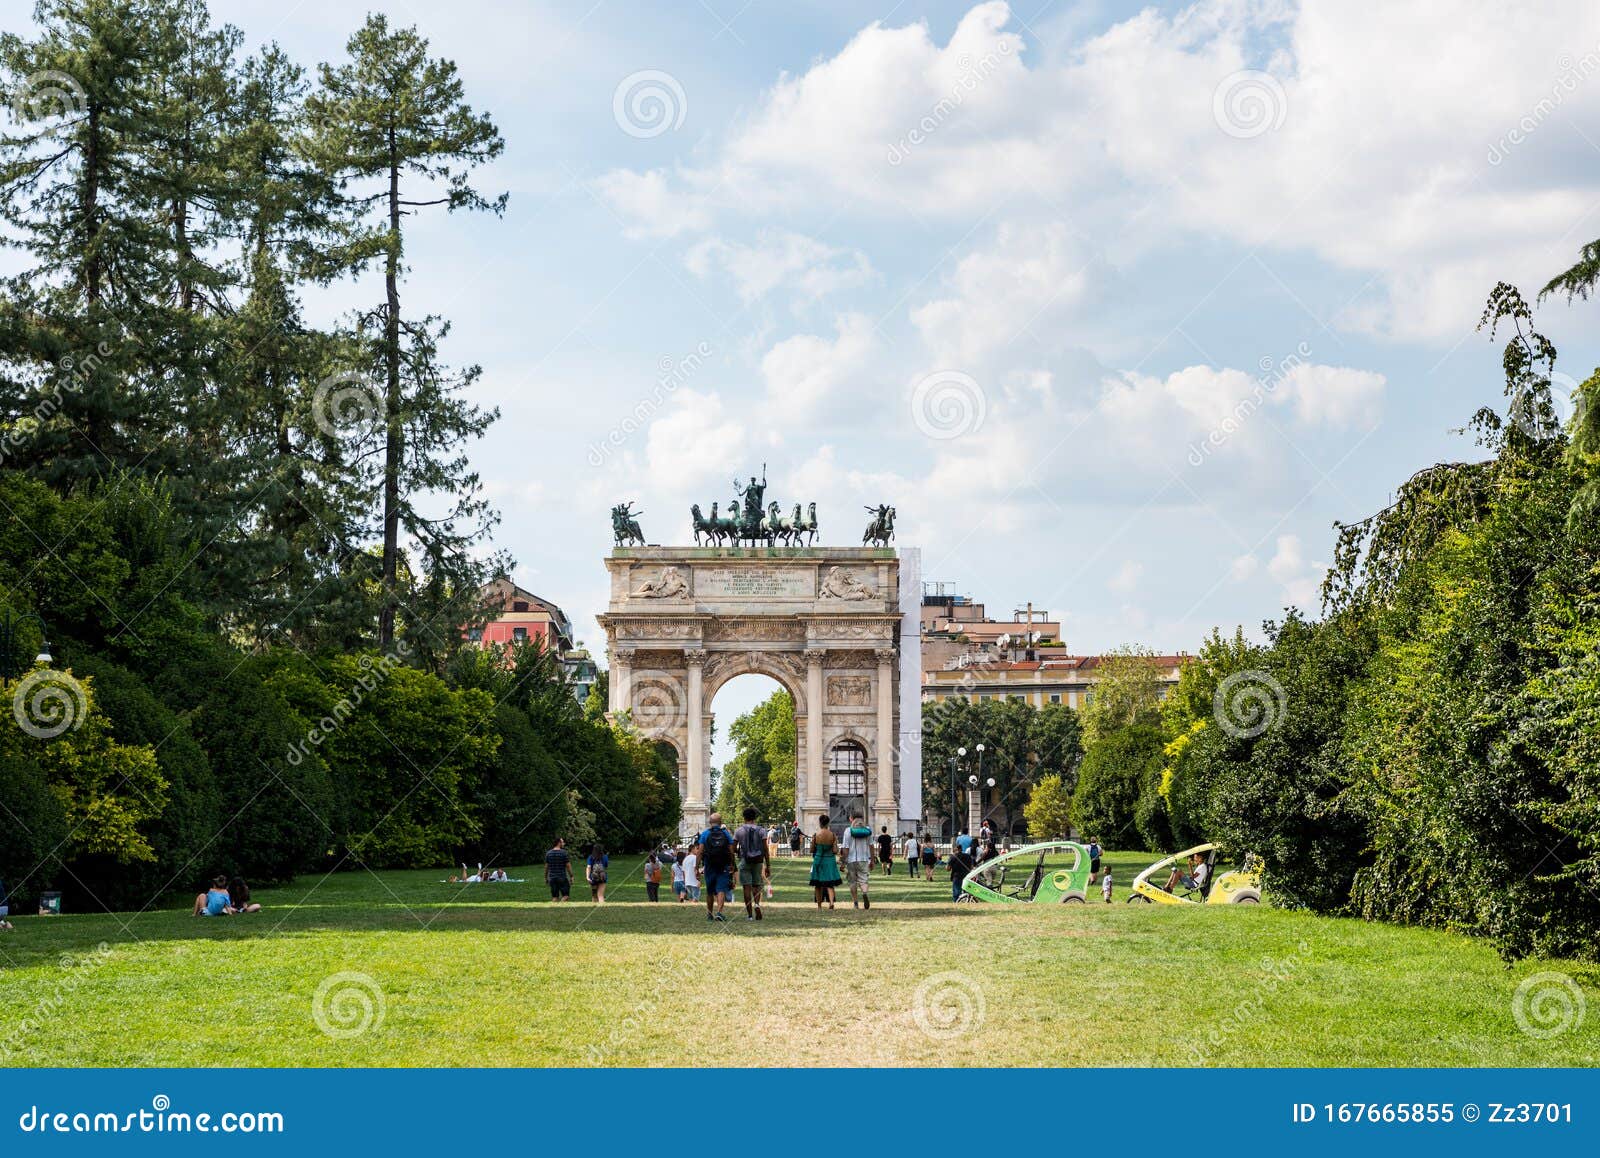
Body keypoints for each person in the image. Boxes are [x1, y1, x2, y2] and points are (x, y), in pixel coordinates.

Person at [733, 806, 770, 921]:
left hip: (745, 860)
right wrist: (768, 864)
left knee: (746, 888)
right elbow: (765, 849)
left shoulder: (739, 830)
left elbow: (732, 848)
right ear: (755, 818)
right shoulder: (762, 830)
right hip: (758, 861)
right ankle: (757, 904)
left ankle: (749, 915)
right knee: (757, 885)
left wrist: (738, 851)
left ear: (744, 817)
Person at [699, 811, 736, 922]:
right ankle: (719, 912)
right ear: (720, 822)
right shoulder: (725, 834)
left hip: (709, 864)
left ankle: (709, 914)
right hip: (723, 865)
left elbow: (700, 851)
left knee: (710, 891)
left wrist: (696, 867)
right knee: (721, 889)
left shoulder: (705, 834)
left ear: (710, 822)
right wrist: (732, 864)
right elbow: (731, 851)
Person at [840, 812, 876, 910]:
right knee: (864, 880)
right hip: (864, 859)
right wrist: (872, 860)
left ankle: (855, 903)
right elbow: (871, 846)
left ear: (851, 818)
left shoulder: (848, 831)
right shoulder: (867, 830)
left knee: (852, 882)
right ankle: (864, 893)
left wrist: (843, 862)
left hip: (851, 860)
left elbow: (845, 848)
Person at [809, 815, 841, 909]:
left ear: (820, 823)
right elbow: (835, 851)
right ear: (828, 823)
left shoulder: (816, 835)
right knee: (830, 883)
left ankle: (819, 906)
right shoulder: (832, 835)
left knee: (818, 884)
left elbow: (811, 850)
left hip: (818, 859)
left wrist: (813, 842)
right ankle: (831, 902)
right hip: (829, 860)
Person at [544, 837, 573, 901]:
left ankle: (553, 909)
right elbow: (568, 866)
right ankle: (562, 906)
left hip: (552, 878)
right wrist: (571, 876)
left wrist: (546, 878)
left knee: (555, 897)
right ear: (559, 843)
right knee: (566, 896)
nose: (564, 843)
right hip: (562, 877)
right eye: (562, 842)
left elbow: (546, 867)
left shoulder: (548, 853)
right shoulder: (564, 853)